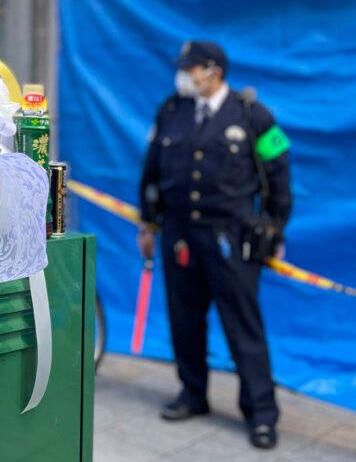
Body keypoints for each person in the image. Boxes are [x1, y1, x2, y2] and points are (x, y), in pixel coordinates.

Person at [137, 41, 292, 450]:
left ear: (214, 71)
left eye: (191, 69)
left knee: (243, 326)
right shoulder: (172, 111)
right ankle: (193, 394)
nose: (184, 75)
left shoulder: (253, 116)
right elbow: (151, 169)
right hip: (179, 234)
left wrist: (274, 229)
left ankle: (261, 413)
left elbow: (279, 175)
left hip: (230, 238)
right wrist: (148, 224)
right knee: (184, 319)